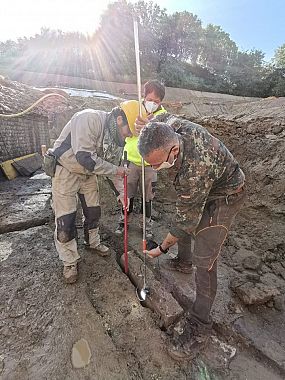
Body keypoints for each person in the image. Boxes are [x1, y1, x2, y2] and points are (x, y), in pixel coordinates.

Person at [137, 114, 246, 361]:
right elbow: (159, 118)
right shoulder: (170, 127)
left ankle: (200, 326)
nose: (155, 170)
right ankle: (182, 261)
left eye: (157, 164)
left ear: (173, 149)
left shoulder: (195, 170)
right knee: (185, 216)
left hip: (226, 194)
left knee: (204, 261)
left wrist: (162, 249)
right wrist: (145, 122)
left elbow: (185, 221)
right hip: (208, 185)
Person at [49, 101, 141, 284]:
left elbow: (113, 170)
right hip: (66, 170)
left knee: (93, 212)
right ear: (119, 119)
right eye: (128, 131)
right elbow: (85, 158)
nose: (127, 137)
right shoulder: (89, 118)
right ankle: (69, 261)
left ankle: (92, 243)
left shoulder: (116, 139)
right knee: (65, 219)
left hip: (88, 173)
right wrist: (115, 170)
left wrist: (122, 194)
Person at [115, 80, 167, 237]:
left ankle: (147, 227)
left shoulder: (163, 116)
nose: (152, 104)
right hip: (130, 161)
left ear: (161, 102)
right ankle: (124, 222)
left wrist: (151, 126)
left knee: (148, 198)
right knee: (127, 196)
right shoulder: (133, 110)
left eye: (156, 102)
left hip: (150, 165)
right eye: (149, 100)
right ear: (144, 97)